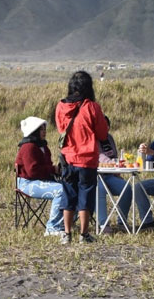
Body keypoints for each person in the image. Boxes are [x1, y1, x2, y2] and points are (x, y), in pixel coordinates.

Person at [55, 71, 108, 244]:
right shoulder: (92, 107)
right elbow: (102, 133)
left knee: (68, 195)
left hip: (68, 158)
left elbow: (61, 130)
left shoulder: (61, 106)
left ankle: (67, 233)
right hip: (87, 159)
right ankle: (84, 234)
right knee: (86, 195)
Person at [97, 116, 154, 233]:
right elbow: (100, 156)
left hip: (110, 175)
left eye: (107, 125)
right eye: (102, 125)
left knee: (126, 188)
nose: (105, 128)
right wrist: (114, 164)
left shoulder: (109, 138)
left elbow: (115, 155)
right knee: (100, 189)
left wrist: (117, 169)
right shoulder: (92, 139)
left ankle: (121, 222)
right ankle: (103, 224)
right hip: (96, 176)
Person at [14, 117, 64, 236]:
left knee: (72, 187)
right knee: (61, 190)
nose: (44, 131)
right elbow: (32, 171)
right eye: (41, 129)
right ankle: (52, 227)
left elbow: (45, 166)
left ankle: (65, 222)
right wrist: (53, 170)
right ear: (34, 131)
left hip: (42, 180)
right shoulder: (28, 147)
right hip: (27, 183)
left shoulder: (43, 146)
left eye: (45, 129)